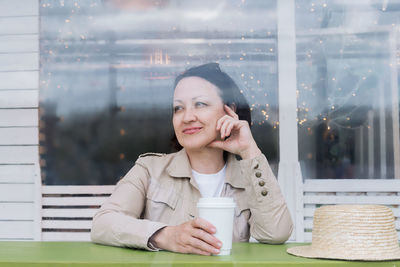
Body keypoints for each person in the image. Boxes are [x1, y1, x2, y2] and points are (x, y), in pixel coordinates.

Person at [91, 63, 293, 255]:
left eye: (200, 104)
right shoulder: (149, 169)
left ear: (228, 109)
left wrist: (249, 150)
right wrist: (165, 235)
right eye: (178, 108)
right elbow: (103, 224)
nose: (187, 117)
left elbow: (276, 233)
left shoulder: (247, 177)